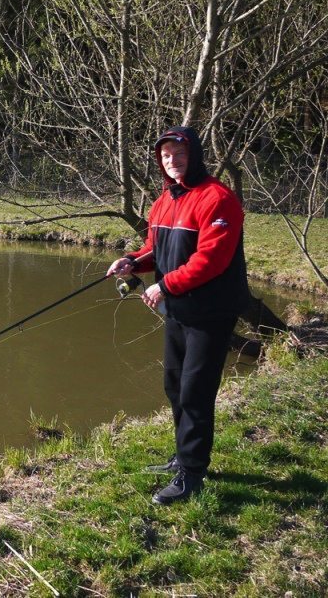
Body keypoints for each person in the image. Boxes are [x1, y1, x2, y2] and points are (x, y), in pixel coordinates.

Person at [107, 126, 249, 505]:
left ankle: (192, 475)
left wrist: (164, 286)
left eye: (180, 153)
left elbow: (211, 260)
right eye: (166, 155)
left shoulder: (218, 199)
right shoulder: (164, 200)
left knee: (195, 392)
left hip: (211, 310)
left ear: (196, 155)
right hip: (178, 309)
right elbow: (156, 247)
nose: (173, 161)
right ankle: (183, 458)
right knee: (174, 385)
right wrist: (132, 262)